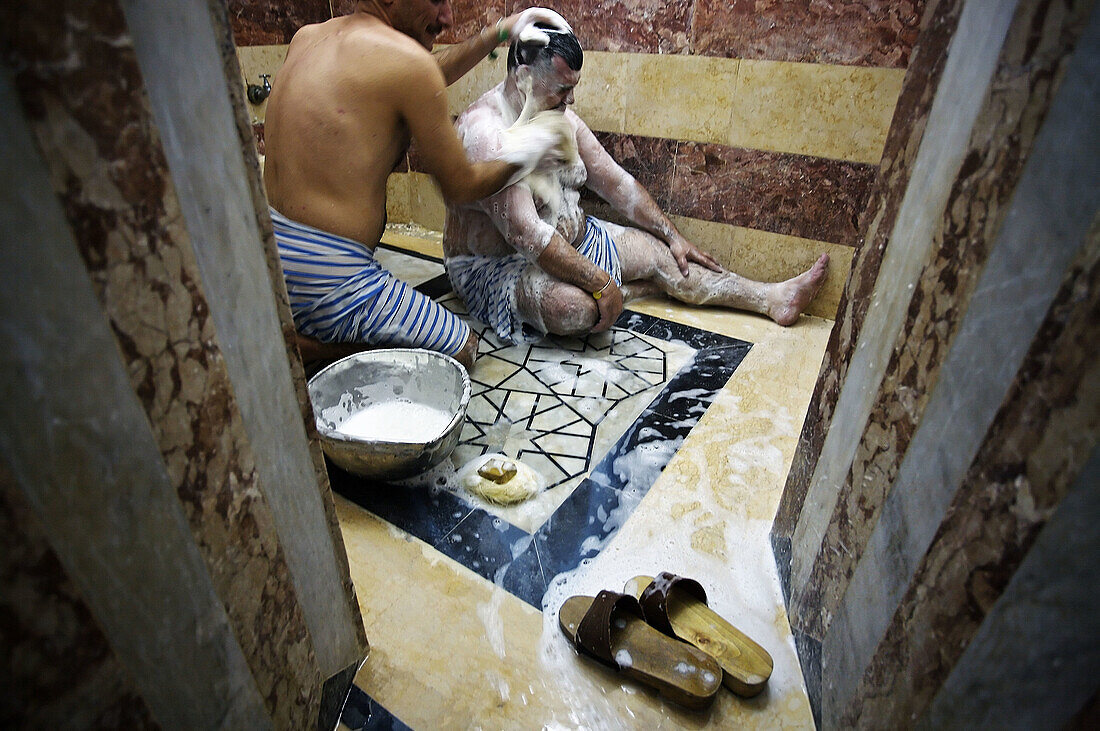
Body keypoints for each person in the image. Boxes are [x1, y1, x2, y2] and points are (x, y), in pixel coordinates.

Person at [443, 27, 830, 346]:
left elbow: (617, 184)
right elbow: (528, 234)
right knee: (574, 308)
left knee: (666, 256)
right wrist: (601, 284)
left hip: (573, 240)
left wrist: (672, 234)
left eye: (573, 87)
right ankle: (632, 289)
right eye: (562, 89)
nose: (571, 98)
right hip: (496, 268)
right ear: (524, 77)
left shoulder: (559, 116)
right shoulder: (486, 135)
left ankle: (770, 298)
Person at [263, 1, 572, 370]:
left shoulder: (309, 37)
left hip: (269, 251)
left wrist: (498, 32)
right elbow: (460, 186)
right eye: (437, 1)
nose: (447, 18)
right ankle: (310, 352)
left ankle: (298, 327)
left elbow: (415, 74)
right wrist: (528, 151)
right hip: (328, 270)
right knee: (461, 349)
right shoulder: (407, 65)